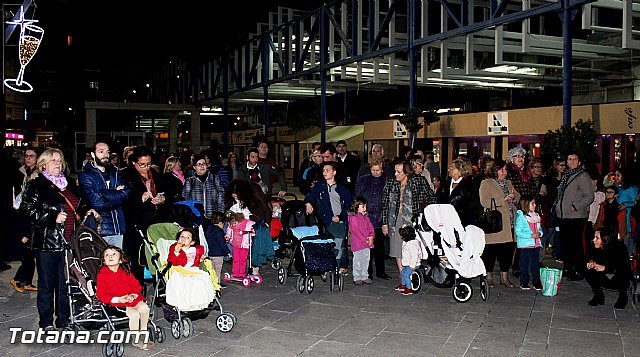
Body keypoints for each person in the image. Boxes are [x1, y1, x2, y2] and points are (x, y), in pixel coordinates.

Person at [20, 148, 94, 330]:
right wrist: (51, 217)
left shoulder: (69, 183)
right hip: (47, 242)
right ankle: (46, 322)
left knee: (65, 284)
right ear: (43, 164)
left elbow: (79, 204)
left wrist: (87, 211)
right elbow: (26, 210)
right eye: (53, 160)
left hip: (69, 242)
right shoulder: (36, 185)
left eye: (60, 160)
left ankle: (64, 319)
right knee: (47, 284)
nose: (58, 164)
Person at [381, 161, 435, 288]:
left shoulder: (418, 181)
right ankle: (403, 275)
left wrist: (430, 215)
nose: (396, 174)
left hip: (413, 218)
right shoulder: (391, 182)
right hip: (395, 218)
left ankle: (412, 272)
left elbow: (431, 197)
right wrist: (384, 223)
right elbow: (384, 204)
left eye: (399, 172)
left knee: (412, 247)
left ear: (407, 172)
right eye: (395, 171)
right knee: (397, 248)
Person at [121, 146, 170, 283]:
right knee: (138, 259)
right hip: (136, 224)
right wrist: (140, 198)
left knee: (159, 256)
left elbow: (169, 193)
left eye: (148, 163)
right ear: (133, 163)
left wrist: (162, 199)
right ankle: (138, 290)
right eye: (142, 164)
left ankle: (160, 286)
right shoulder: (126, 176)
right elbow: (123, 200)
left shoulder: (156, 174)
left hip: (156, 221)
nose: (146, 168)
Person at [95, 246, 154, 351]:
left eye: (114, 254)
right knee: (134, 314)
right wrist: (118, 299)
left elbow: (136, 286)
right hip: (118, 303)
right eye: (107, 255)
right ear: (104, 261)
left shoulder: (125, 272)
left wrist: (133, 295)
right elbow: (101, 294)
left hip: (131, 299)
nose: (110, 256)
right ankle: (135, 340)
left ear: (121, 260)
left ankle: (143, 332)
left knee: (144, 308)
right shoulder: (102, 275)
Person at [78, 141, 130, 248]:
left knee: (117, 262)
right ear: (93, 154)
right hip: (100, 229)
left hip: (118, 227)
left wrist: (104, 192)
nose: (105, 155)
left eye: (107, 152)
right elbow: (97, 203)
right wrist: (116, 193)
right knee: (100, 263)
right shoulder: (85, 175)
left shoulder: (115, 172)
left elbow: (126, 195)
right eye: (101, 152)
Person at [479, 159, 520, 288]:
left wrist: (514, 197)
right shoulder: (486, 183)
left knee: (507, 251)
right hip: (495, 225)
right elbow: (484, 202)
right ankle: (489, 277)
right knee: (490, 251)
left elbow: (518, 197)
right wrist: (503, 199)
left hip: (510, 224)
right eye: (501, 169)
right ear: (494, 170)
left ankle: (504, 277)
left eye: (505, 169)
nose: (504, 172)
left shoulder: (508, 183)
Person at [305, 161, 352, 272]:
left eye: (328, 170)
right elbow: (311, 195)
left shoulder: (342, 188)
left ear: (334, 172)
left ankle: (339, 266)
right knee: (333, 241)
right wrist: (308, 203)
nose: (325, 172)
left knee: (340, 242)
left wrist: (340, 217)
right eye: (324, 170)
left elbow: (348, 206)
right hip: (325, 220)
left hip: (338, 220)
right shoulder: (320, 186)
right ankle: (331, 264)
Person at [554, 152, 594, 281]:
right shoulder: (566, 175)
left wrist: (575, 206)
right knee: (566, 244)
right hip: (564, 215)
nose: (571, 161)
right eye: (569, 159)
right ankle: (568, 268)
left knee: (575, 245)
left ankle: (578, 269)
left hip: (576, 216)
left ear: (579, 162)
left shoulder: (582, 176)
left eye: (574, 159)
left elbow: (589, 196)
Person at [354, 158, 392, 280]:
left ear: (382, 169)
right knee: (366, 246)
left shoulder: (387, 181)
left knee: (380, 247)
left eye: (378, 170)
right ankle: (367, 271)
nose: (375, 172)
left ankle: (381, 271)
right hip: (366, 217)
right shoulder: (363, 180)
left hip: (380, 217)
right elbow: (357, 196)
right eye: (373, 170)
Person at [166, 228, 218, 311]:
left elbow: (195, 262)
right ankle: (184, 304)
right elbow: (172, 261)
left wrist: (200, 260)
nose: (184, 238)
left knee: (203, 280)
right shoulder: (174, 248)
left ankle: (198, 302)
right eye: (182, 236)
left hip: (192, 270)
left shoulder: (195, 250)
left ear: (192, 242)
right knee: (183, 282)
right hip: (180, 269)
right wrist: (176, 252)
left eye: (188, 237)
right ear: (178, 239)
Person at [10, 146, 39, 292]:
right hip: (20, 214)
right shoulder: (19, 172)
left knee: (31, 250)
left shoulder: (40, 174)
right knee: (26, 248)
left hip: (33, 213)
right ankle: (18, 278)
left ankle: (27, 281)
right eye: (26, 156)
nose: (28, 158)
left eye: (31, 156)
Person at [585, 228, 631, 309]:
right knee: (587, 268)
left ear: (605, 239)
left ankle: (623, 297)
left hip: (618, 279)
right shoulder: (595, 246)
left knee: (622, 273)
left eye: (597, 238)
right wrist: (591, 262)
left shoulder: (620, 248)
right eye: (594, 237)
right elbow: (589, 256)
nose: (594, 240)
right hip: (604, 278)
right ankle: (598, 295)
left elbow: (623, 268)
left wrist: (605, 268)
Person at [439, 158, 481, 226]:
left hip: (463, 220)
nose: (449, 170)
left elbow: (472, 202)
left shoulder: (468, 184)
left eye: (452, 168)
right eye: (449, 168)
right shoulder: (445, 184)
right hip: (446, 218)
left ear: (460, 170)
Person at [182, 154, 225, 218]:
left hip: (213, 217)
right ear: (194, 167)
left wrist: (219, 214)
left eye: (204, 164)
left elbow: (221, 197)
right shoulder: (189, 181)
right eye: (199, 164)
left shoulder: (215, 179)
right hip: (196, 217)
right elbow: (185, 200)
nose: (202, 166)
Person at [515, 196, 543, 291]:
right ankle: (524, 281)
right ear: (526, 205)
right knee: (525, 265)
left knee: (535, 265)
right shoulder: (521, 218)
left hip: (535, 246)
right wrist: (530, 235)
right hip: (525, 246)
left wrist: (540, 233)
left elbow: (539, 229)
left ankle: (536, 281)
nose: (535, 205)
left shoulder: (535, 216)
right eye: (532, 203)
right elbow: (519, 232)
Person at [540, 158, 566, 259]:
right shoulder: (549, 178)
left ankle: (556, 253)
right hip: (551, 207)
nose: (563, 167)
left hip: (562, 207)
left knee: (558, 231)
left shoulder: (565, 177)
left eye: (564, 165)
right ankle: (541, 250)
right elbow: (544, 191)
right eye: (561, 165)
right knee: (550, 230)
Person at [348, 197, 374, 285]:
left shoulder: (366, 217)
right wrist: (365, 239)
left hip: (367, 243)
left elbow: (370, 227)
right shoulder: (353, 217)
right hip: (358, 243)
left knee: (366, 260)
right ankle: (357, 276)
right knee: (358, 261)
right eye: (363, 207)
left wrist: (371, 236)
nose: (365, 209)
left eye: (365, 206)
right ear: (356, 207)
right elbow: (355, 230)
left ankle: (364, 276)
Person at [203, 212, 232, 287]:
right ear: (220, 222)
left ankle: (211, 282)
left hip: (210, 253)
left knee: (211, 269)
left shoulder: (208, 229)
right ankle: (217, 283)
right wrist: (228, 252)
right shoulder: (219, 231)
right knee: (218, 270)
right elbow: (222, 244)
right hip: (218, 254)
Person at [614, 167, 638, 254]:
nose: (616, 177)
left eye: (618, 175)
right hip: (618, 220)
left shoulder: (631, 189)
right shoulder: (617, 188)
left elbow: (635, 202)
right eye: (615, 175)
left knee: (628, 243)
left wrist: (625, 205)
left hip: (628, 219)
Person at [225, 211, 255, 278]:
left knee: (242, 259)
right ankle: (235, 272)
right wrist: (227, 236)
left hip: (244, 245)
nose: (233, 225)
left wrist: (252, 231)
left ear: (238, 220)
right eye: (232, 224)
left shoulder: (246, 224)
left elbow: (253, 230)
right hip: (235, 244)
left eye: (235, 224)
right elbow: (229, 230)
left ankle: (242, 273)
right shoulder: (231, 225)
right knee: (235, 259)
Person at [397, 226, 422, 296]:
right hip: (408, 263)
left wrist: (412, 265)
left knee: (406, 274)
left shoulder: (412, 245)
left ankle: (409, 288)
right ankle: (403, 285)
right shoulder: (412, 243)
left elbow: (414, 256)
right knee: (403, 273)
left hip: (412, 264)